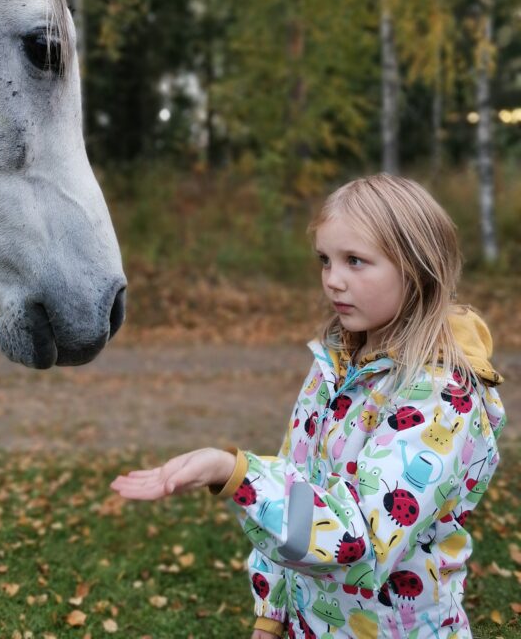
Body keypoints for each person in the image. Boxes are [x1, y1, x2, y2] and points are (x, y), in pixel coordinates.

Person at [111, 174, 506, 639]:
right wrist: (273, 613)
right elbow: (296, 482)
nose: (333, 280)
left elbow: (356, 537)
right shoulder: (334, 365)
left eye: (355, 261)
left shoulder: (441, 394)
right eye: (325, 260)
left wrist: (234, 473)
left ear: (417, 267)